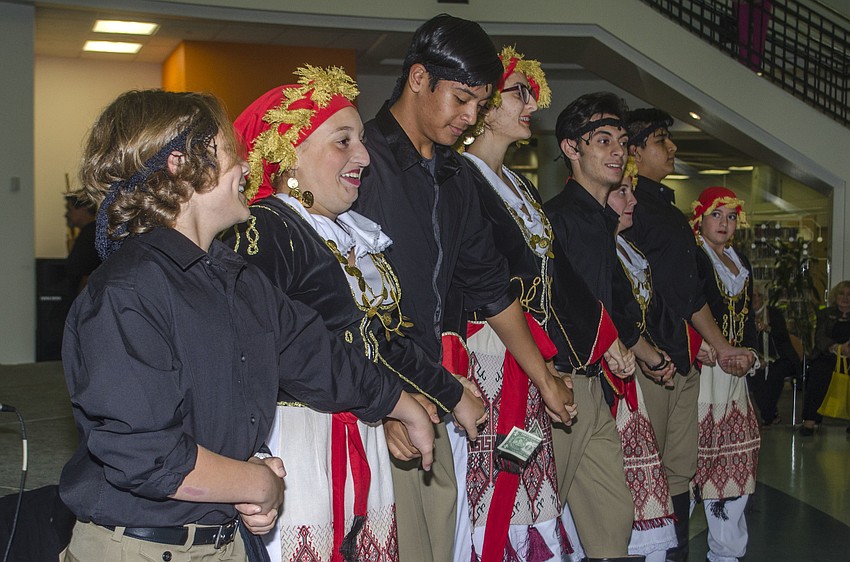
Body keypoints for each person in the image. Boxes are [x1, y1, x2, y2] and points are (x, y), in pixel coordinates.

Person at [59, 89, 434, 562]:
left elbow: (316, 355)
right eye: (231, 152)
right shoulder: (126, 292)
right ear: (179, 165)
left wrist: (401, 404)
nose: (246, 167)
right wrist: (255, 481)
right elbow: (147, 455)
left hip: (222, 542)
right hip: (137, 548)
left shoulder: (234, 277)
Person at [225, 66, 485, 562]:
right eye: (343, 142)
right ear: (289, 156)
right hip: (299, 444)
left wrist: (451, 392)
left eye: (361, 140)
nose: (364, 156)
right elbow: (267, 353)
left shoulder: (353, 236)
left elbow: (384, 343)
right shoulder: (267, 231)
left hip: (363, 430)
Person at [351, 15, 581, 562]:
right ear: (417, 79)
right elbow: (340, 307)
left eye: (480, 104)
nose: (471, 117)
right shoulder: (360, 163)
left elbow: (491, 286)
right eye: (460, 99)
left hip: (435, 390)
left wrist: (543, 377)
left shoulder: (454, 178)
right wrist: (386, 405)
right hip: (366, 398)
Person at [453, 47, 630, 561]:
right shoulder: (459, 178)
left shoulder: (519, 186)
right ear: (484, 105)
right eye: (520, 93)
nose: (532, 105)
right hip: (492, 352)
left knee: (555, 495)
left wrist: (605, 335)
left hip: (535, 352)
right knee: (503, 492)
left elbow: (556, 275)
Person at [625, 107, 754, 562]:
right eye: (662, 140)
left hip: (680, 359)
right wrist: (716, 347)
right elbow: (678, 291)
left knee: (679, 469)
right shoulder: (629, 207)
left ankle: (671, 553)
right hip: (649, 358)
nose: (672, 148)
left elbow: (687, 291)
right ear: (635, 151)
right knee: (646, 466)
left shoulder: (662, 207)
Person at [543, 91, 643, 561]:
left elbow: (611, 301)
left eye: (621, 141)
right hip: (561, 384)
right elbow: (552, 302)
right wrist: (604, 345)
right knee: (537, 516)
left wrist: (628, 345)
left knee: (613, 517)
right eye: (602, 140)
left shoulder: (599, 221)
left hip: (594, 388)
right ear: (571, 148)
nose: (617, 151)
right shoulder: (559, 218)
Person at [607, 160, 678, 562]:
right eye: (623, 191)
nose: (632, 199)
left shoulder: (627, 246)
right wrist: (646, 353)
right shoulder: (597, 243)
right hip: (612, 373)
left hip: (636, 368)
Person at [690, 186, 761, 562]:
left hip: (734, 381)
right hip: (700, 375)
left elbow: (748, 321)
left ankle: (727, 553)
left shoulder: (741, 261)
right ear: (699, 218)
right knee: (689, 469)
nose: (724, 223)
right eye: (716, 215)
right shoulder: (693, 257)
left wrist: (750, 354)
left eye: (731, 216)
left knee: (733, 470)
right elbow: (682, 304)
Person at [801, 280, 850, 435]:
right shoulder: (825, 314)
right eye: (842, 294)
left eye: (849, 295)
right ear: (835, 296)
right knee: (819, 372)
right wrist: (837, 348)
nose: (845, 298)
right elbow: (820, 338)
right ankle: (810, 421)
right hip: (828, 355)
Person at [749, 284, 801, 428]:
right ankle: (770, 415)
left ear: (763, 297)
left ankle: (768, 416)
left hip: (781, 358)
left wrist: (767, 328)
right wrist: (758, 360)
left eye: (758, 295)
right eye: (751, 296)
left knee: (774, 374)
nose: (754, 299)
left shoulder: (773, 313)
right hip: (757, 359)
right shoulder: (745, 316)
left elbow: (782, 336)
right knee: (755, 375)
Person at [63, 192, 100, 295]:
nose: (66, 215)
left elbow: (87, 273)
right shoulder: (91, 233)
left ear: (84, 209)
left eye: (69, 210)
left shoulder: (89, 235)